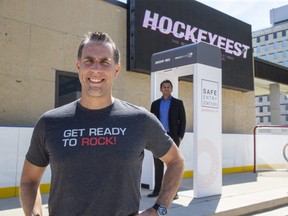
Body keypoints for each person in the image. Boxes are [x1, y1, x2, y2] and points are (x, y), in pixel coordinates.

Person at [19, 32, 185, 216]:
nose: (96, 69)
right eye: (88, 60)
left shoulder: (140, 119)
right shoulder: (49, 123)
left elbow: (176, 161)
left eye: (105, 62)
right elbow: (29, 180)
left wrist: (159, 210)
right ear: (78, 66)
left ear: (116, 69)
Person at [148, 80, 186, 200]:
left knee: (173, 165)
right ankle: (157, 190)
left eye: (168, 87)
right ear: (161, 89)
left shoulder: (178, 103)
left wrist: (179, 137)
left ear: (171, 89)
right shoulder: (155, 104)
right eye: (164, 87)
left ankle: (173, 192)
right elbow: (151, 122)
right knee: (158, 164)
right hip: (158, 136)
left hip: (173, 137)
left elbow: (183, 121)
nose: (166, 88)